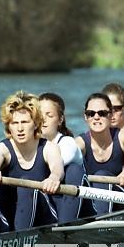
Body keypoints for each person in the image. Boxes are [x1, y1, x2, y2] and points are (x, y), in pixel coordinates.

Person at [0, 91, 63, 230]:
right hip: (10, 216)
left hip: (44, 218)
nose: (20, 128)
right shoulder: (0, 149)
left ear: (36, 124)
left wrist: (54, 178)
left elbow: (57, 169)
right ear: (9, 126)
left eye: (25, 122)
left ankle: (20, 237)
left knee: (26, 185)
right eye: (14, 123)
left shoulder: (49, 148)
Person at [75, 93, 124, 214]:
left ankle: (101, 220)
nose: (96, 117)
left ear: (111, 115)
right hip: (93, 200)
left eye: (102, 113)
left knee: (101, 175)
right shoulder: (79, 143)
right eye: (91, 113)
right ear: (85, 117)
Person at [39, 92, 95, 223]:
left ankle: (65, 226)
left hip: (81, 208)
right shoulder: (30, 145)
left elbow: (52, 165)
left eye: (49, 115)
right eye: (39, 115)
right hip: (51, 204)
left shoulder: (68, 143)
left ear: (60, 120)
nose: (43, 119)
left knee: (73, 169)